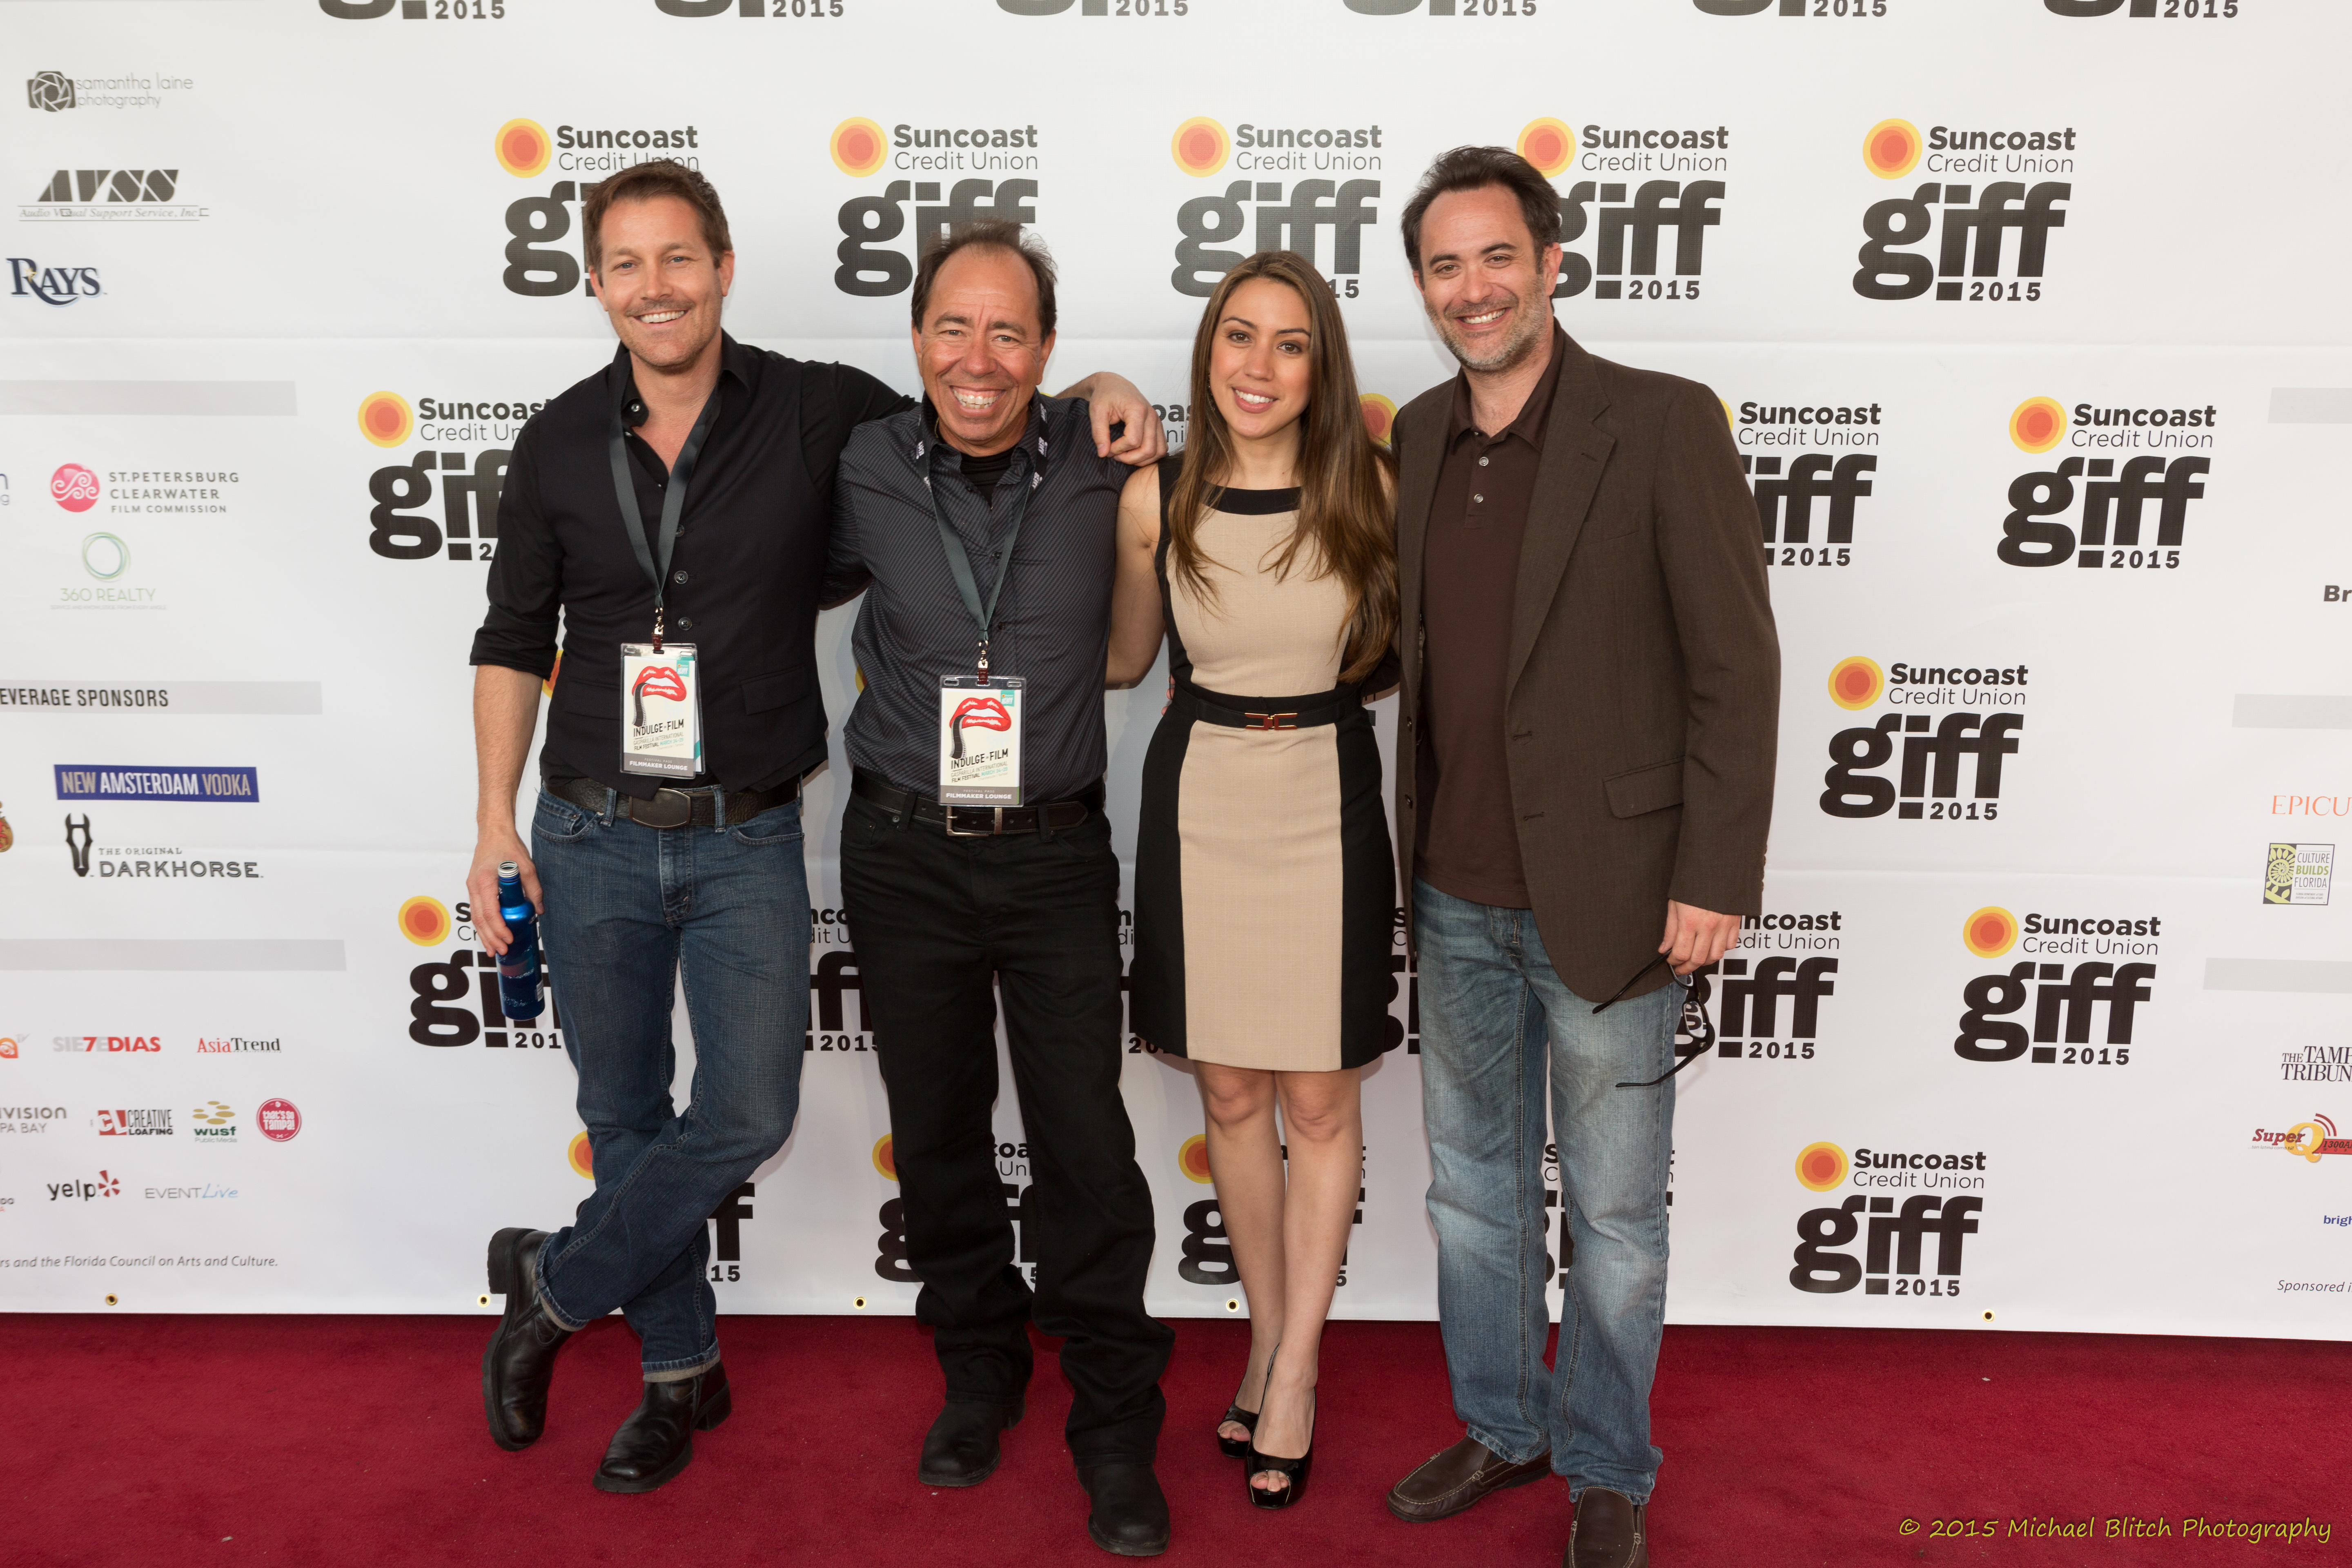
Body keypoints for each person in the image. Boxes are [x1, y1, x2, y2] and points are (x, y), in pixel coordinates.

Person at [466, 161, 1161, 1494]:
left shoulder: (820, 416)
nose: (657, 286)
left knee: (797, 1115)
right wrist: (492, 823)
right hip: (617, 828)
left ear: (725, 268)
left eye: (681, 259)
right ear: (597, 281)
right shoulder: (570, 442)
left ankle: (555, 1288)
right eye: (629, 263)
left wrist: (1102, 398)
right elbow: (511, 637)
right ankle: (693, 1370)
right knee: (654, 1114)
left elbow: (1007, 412)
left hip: (793, 838)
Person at [1377, 148, 1779, 1568]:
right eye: (1445, 265)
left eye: (1498, 258)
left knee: (1613, 1212)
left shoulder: (1662, 424)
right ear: (1422, 285)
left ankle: (1609, 1461)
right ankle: (1503, 1425)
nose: (1473, 289)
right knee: (1473, 1194)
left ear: (1554, 262)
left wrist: (1717, 873)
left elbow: (1738, 665)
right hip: (1453, 892)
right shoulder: (1420, 434)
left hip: (1616, 900)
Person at [824, 221, 1174, 1557]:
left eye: (1010, 331)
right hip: (903, 848)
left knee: (1087, 1141)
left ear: (1049, 350)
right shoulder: (856, 457)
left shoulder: (1104, 451)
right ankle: (979, 1370)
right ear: (916, 341)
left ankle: (1113, 1420)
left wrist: (1120, 401)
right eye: (953, 328)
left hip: (1053, 852)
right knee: (939, 1129)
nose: (979, 358)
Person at [1107, 251, 1399, 1511]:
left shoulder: (1377, 490)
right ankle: (1271, 1347)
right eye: (1240, 337)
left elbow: (1396, 658)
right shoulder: (1151, 499)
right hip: (1198, 798)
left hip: (1327, 795)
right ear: (1208, 353)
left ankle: (1297, 1373)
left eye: (1290, 343)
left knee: (1321, 1109)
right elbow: (1125, 661)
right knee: (1230, 1093)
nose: (1260, 366)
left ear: (1321, 365)